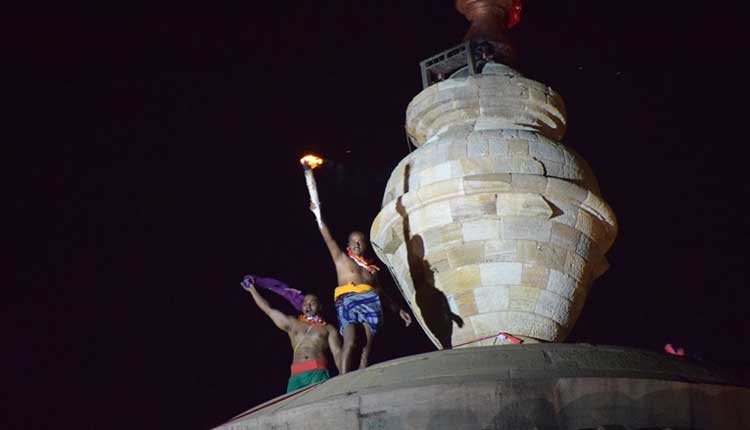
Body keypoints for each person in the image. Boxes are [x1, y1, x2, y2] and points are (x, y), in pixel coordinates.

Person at [310, 202, 412, 373]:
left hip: (371, 303)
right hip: (348, 302)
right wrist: (318, 215)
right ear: (348, 245)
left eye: (360, 242)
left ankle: (360, 381)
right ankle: (343, 379)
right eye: (353, 242)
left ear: (365, 245)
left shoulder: (372, 270)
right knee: (350, 342)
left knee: (366, 349)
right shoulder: (341, 259)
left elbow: (381, 292)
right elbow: (329, 239)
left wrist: (398, 310)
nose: (357, 244)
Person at [242, 277, 342, 392]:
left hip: (318, 372)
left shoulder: (328, 329)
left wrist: (343, 376)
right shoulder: (293, 323)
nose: (308, 306)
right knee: (292, 403)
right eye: (305, 303)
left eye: (312, 303)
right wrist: (252, 290)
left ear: (320, 306)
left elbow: (337, 353)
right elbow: (268, 309)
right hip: (296, 375)